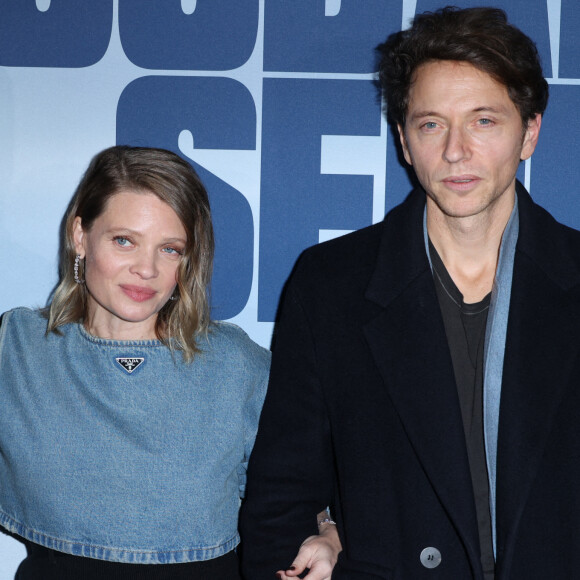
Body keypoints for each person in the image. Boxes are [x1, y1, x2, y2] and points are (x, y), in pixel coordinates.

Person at [240, 6, 580, 579]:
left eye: (484, 121)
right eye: (431, 124)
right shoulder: (330, 285)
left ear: (530, 132)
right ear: (403, 140)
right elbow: (279, 502)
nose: (455, 151)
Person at [0, 146, 332, 579]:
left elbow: (308, 493)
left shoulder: (236, 368)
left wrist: (328, 535)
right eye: (124, 241)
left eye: (170, 249)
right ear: (80, 236)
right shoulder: (18, 350)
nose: (146, 269)